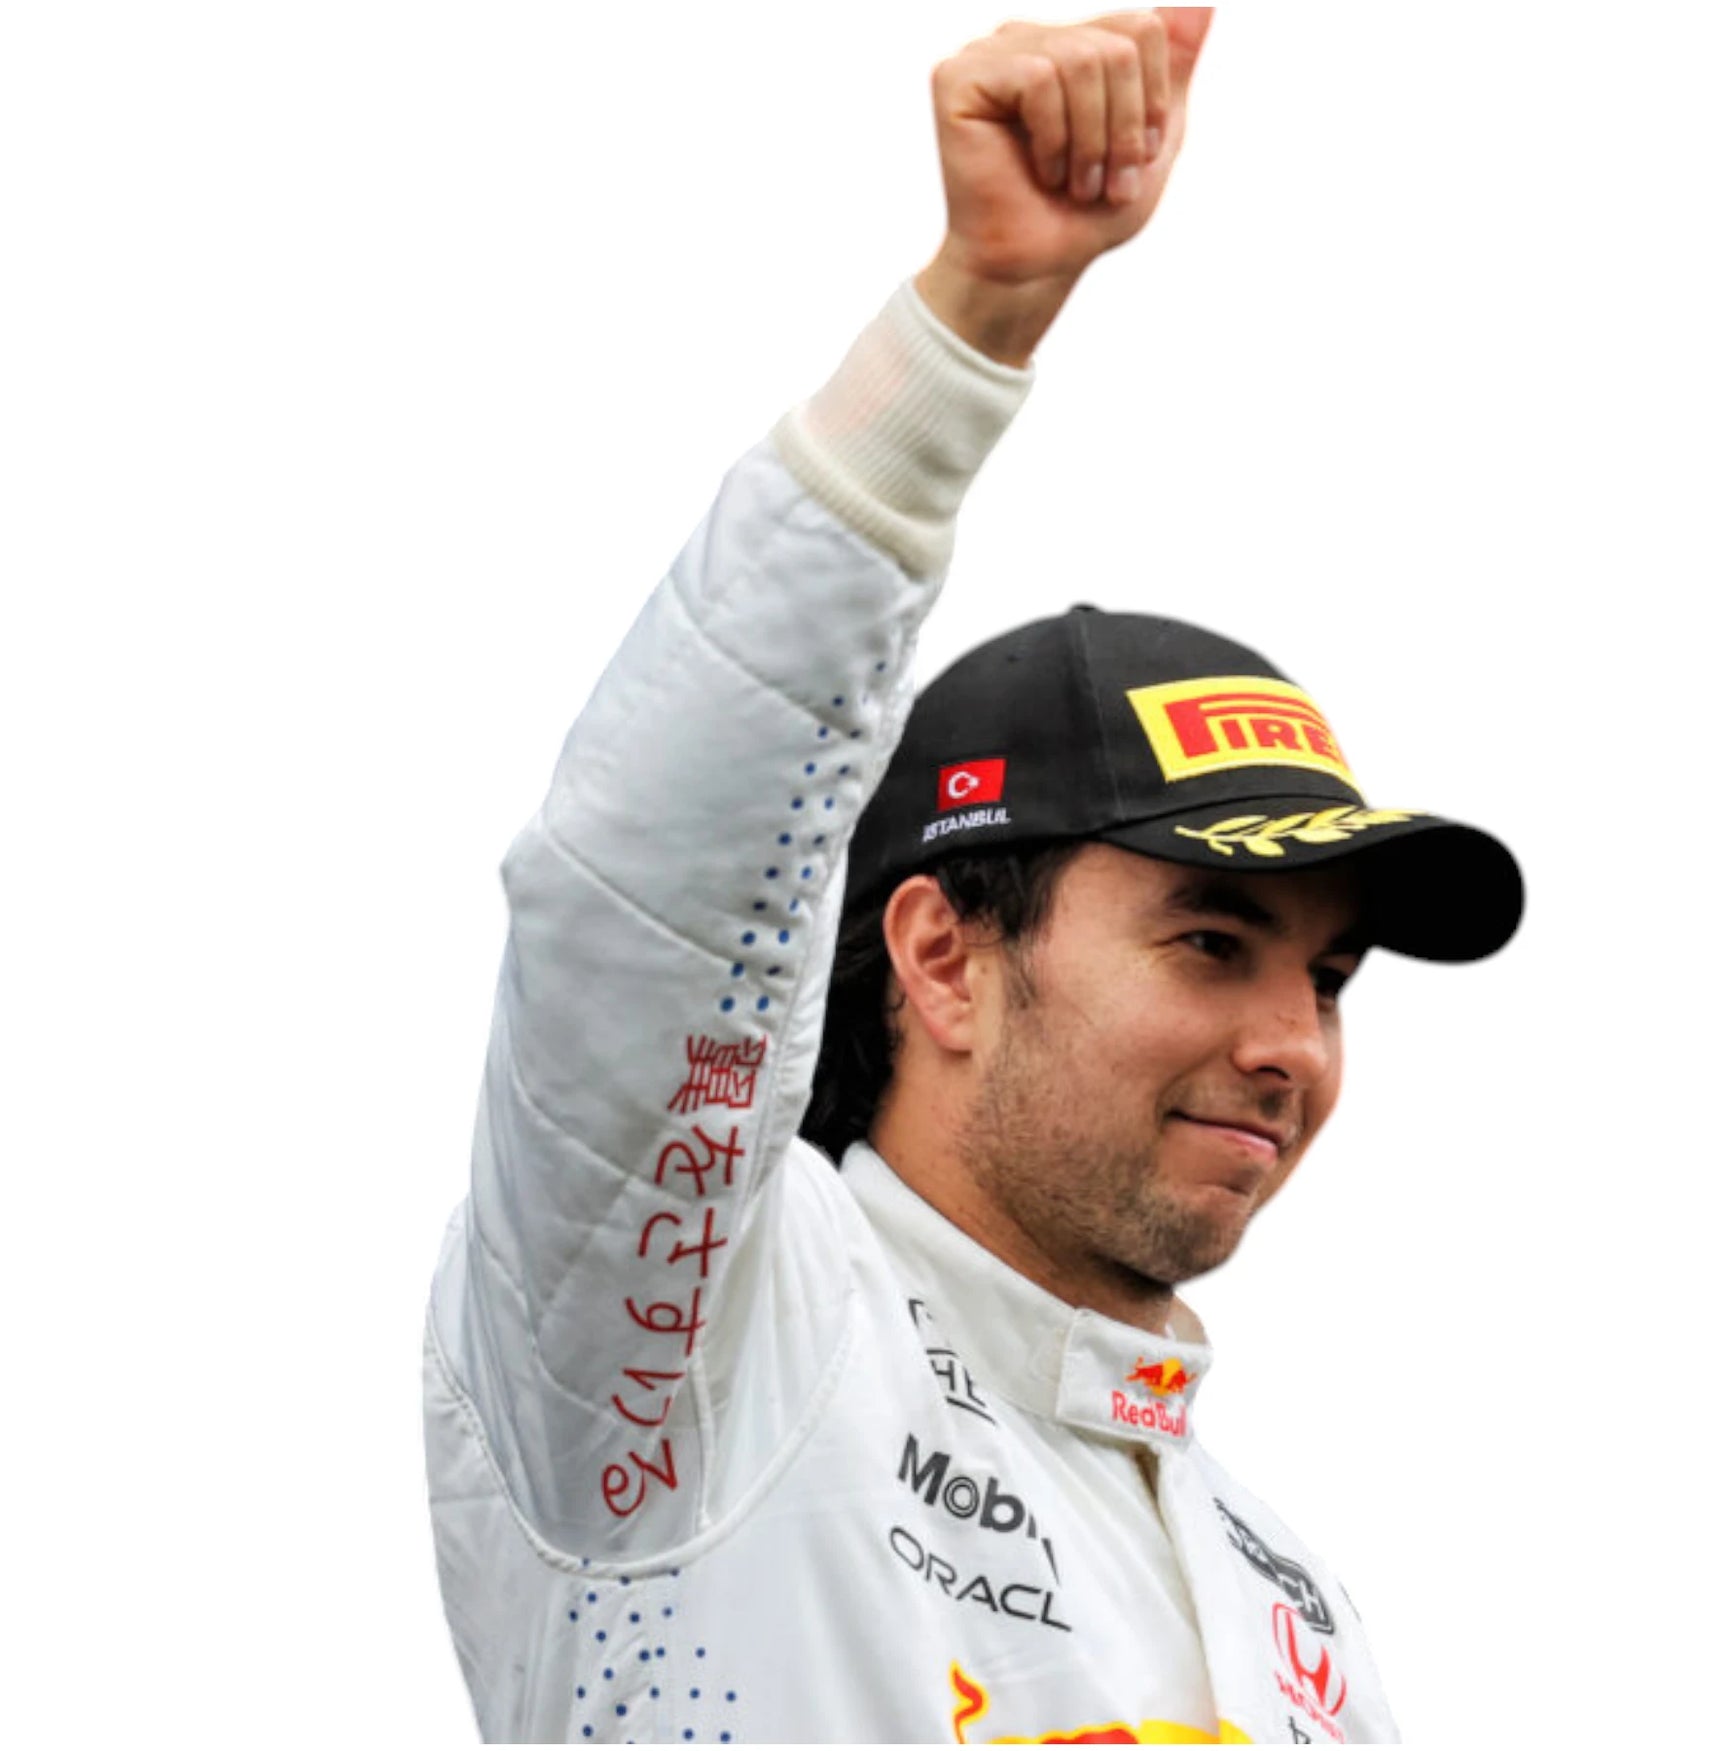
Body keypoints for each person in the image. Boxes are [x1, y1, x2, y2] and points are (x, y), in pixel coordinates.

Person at [423, 10, 1521, 1743]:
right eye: (1212, 938)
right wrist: (960, 342)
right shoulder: (712, 1348)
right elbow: (640, 911)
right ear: (938, 955)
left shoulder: (1284, 1589)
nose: (1291, 1044)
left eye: (1323, 977)